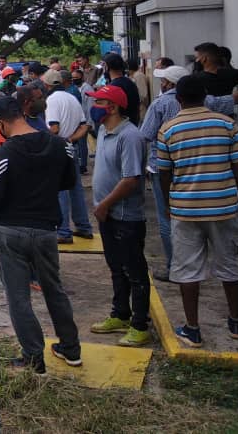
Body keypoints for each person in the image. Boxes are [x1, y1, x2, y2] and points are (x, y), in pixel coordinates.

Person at [0, 96, 82, 373]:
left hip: (11, 230)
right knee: (54, 290)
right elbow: (69, 181)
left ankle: (33, 356)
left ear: (0, 123)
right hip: (46, 229)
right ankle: (71, 348)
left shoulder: (4, 153)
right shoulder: (60, 145)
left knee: (19, 297)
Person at [156, 76, 238, 346]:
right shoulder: (227, 124)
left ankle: (192, 329)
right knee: (229, 265)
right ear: (206, 96)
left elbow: (164, 173)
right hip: (223, 208)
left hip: (186, 210)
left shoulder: (168, 129)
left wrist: (170, 204)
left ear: (178, 99)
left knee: (188, 270)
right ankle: (236, 323)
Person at [139, 64, 238, 282]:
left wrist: (167, 200)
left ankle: (174, 266)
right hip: (217, 195)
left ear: (173, 88)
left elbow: (146, 137)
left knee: (168, 224)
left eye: (164, 80)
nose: (162, 83)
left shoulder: (161, 107)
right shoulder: (218, 112)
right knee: (227, 264)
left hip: (174, 183)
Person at [85, 84, 151, 347]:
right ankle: (121, 314)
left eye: (99, 103)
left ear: (112, 107)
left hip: (125, 216)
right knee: (116, 268)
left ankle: (139, 325)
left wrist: (105, 204)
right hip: (107, 214)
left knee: (134, 271)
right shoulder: (103, 130)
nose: (94, 107)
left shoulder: (130, 136)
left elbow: (131, 179)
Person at [42, 69, 94, 245]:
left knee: (60, 191)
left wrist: (43, 140)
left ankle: (63, 231)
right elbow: (84, 126)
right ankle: (84, 226)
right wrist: (70, 139)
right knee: (76, 188)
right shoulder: (72, 98)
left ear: (47, 85)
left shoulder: (51, 100)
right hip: (71, 148)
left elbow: (54, 128)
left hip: (58, 150)